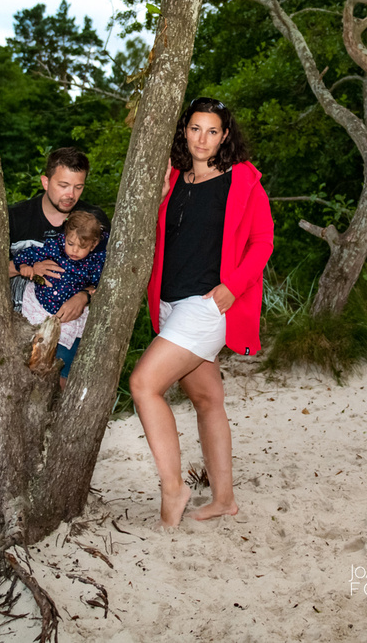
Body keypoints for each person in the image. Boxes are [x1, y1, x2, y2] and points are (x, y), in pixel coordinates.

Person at [130, 97, 273, 527]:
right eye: (195, 129)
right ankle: (224, 499)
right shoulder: (172, 178)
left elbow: (262, 241)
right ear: (184, 131)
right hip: (172, 303)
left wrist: (233, 287)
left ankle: (174, 489)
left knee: (143, 384)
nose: (202, 139)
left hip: (207, 306)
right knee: (207, 398)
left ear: (224, 135)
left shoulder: (242, 180)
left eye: (212, 131)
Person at [8, 147, 110, 377]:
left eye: (78, 187)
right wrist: (29, 269)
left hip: (72, 325)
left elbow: (110, 273)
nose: (70, 195)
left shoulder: (94, 222)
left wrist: (84, 295)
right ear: (45, 182)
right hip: (19, 325)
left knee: (63, 384)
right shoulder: (15, 218)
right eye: (63, 185)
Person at [13, 210, 107, 376]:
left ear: (92, 245)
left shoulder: (93, 263)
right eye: (70, 243)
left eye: (82, 247)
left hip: (67, 314)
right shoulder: (54, 248)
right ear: (65, 237)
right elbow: (27, 255)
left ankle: (61, 383)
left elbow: (99, 283)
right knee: (31, 349)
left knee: (62, 361)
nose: (74, 250)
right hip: (40, 304)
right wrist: (24, 266)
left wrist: (92, 291)